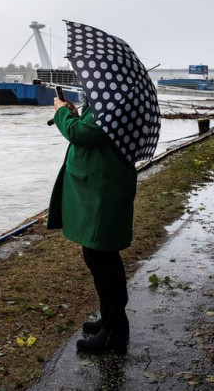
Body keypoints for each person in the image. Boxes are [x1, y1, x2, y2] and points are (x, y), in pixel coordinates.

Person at [47, 95, 137, 355]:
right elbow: (89, 127)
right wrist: (75, 113)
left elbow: (81, 133)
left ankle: (113, 333)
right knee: (101, 258)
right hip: (101, 189)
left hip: (103, 192)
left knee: (101, 259)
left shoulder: (111, 102)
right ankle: (113, 321)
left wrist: (62, 113)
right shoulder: (107, 102)